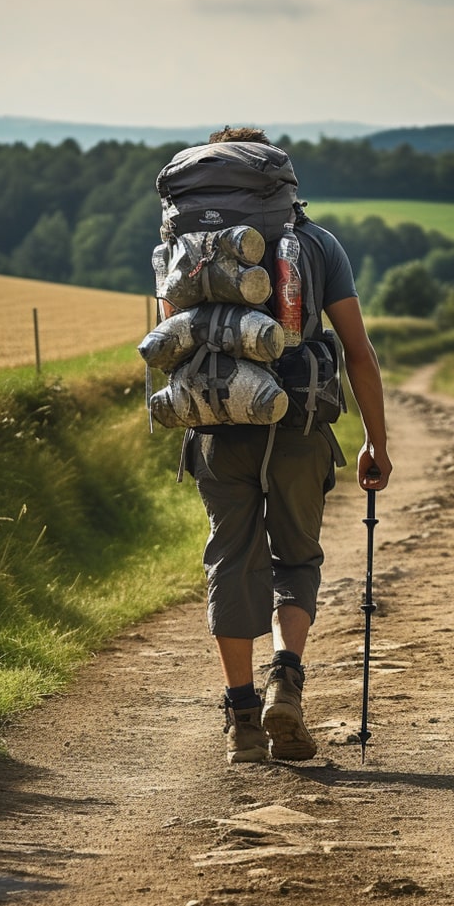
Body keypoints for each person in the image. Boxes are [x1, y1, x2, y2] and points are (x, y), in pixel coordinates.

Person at [168, 126, 392, 765]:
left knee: (230, 560)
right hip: (296, 426)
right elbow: (357, 351)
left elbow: (173, 335)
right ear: (281, 182)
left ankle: (240, 720)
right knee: (296, 558)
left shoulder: (188, 248)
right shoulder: (318, 245)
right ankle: (284, 686)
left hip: (216, 428)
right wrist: (375, 441)